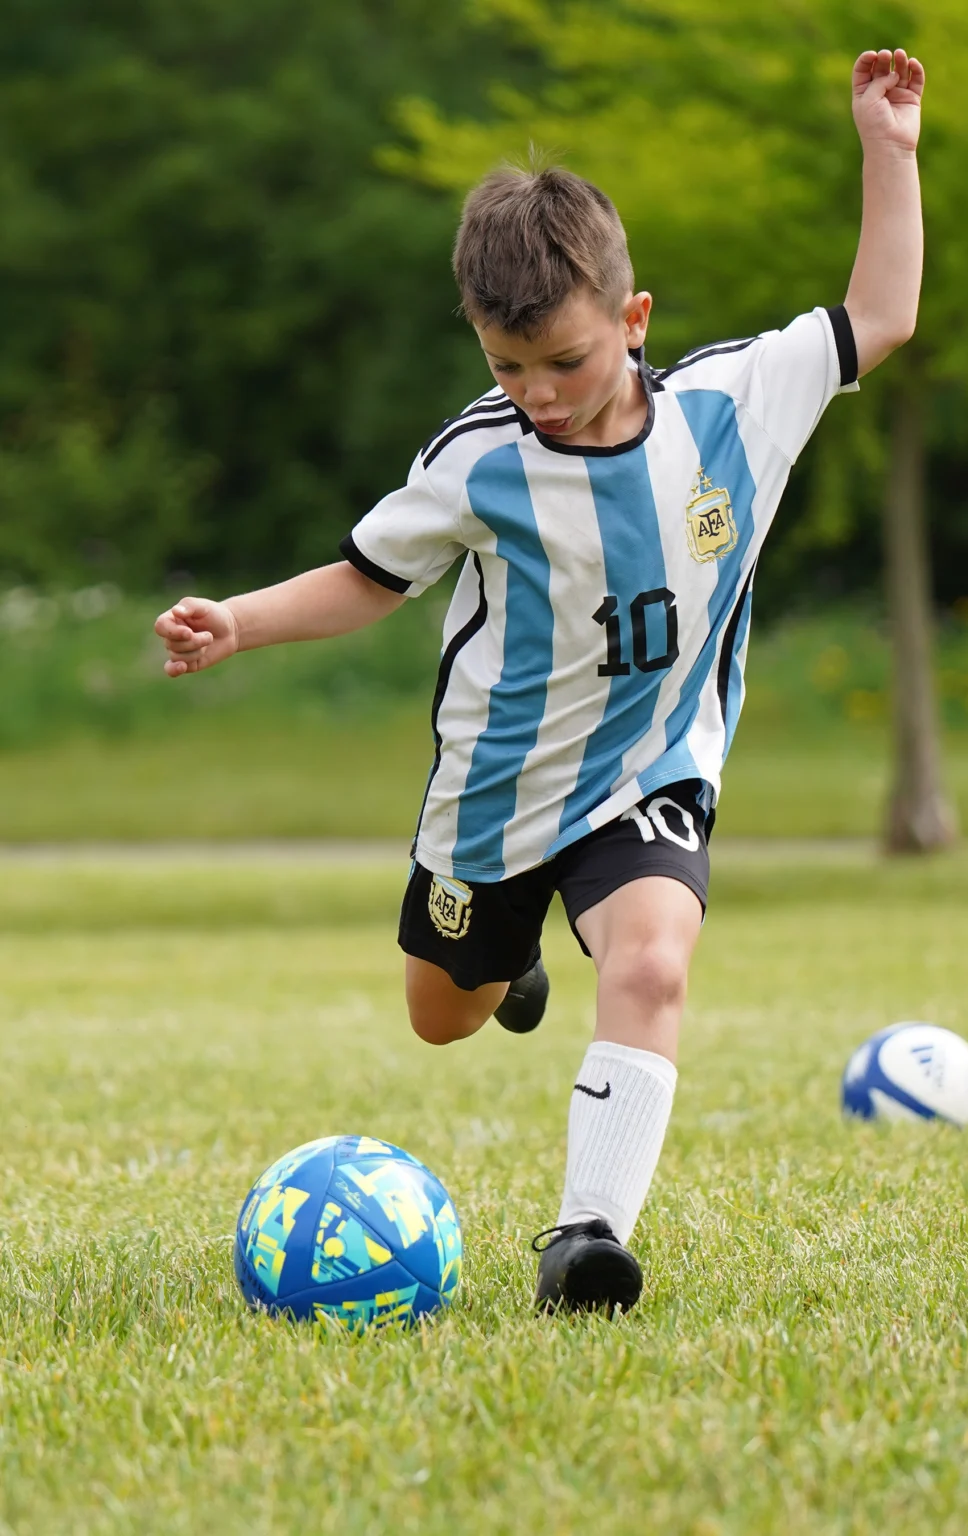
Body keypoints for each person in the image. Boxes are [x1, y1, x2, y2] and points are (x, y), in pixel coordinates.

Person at [156, 49, 925, 1314]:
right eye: (509, 368)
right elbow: (368, 575)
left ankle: (586, 1239)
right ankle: (508, 963)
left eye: (563, 362)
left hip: (653, 772)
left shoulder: (737, 407)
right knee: (441, 1018)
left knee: (654, 963)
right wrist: (236, 623)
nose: (538, 396)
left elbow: (880, 315)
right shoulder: (477, 460)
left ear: (632, 320)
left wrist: (886, 152)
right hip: (497, 797)